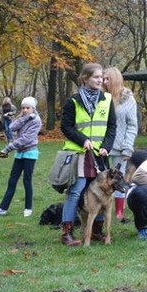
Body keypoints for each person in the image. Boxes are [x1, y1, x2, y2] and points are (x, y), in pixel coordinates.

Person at [59, 63, 117, 246]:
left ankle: (97, 231)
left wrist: (107, 146)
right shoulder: (73, 101)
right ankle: (66, 232)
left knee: (103, 190)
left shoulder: (107, 99)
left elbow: (112, 126)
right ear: (85, 78)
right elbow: (66, 127)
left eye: (101, 77)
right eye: (96, 77)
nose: (100, 80)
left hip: (100, 154)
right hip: (78, 152)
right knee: (76, 190)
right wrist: (82, 139)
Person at [0, 97, 42, 217]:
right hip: (19, 153)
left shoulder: (37, 121)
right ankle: (2, 209)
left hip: (30, 153)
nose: (25, 110)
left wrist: (7, 149)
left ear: (33, 108)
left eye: (28, 108)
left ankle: (28, 208)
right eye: (23, 108)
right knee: (12, 181)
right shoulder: (24, 117)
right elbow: (12, 127)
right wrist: (24, 118)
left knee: (26, 181)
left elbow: (26, 139)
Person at [103, 67, 138, 222]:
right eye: (103, 78)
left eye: (107, 79)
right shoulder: (101, 97)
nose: (104, 82)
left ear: (115, 80)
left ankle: (118, 211)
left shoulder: (127, 99)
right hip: (102, 146)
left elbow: (132, 125)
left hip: (120, 146)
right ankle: (101, 208)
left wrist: (127, 146)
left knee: (118, 179)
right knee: (101, 178)